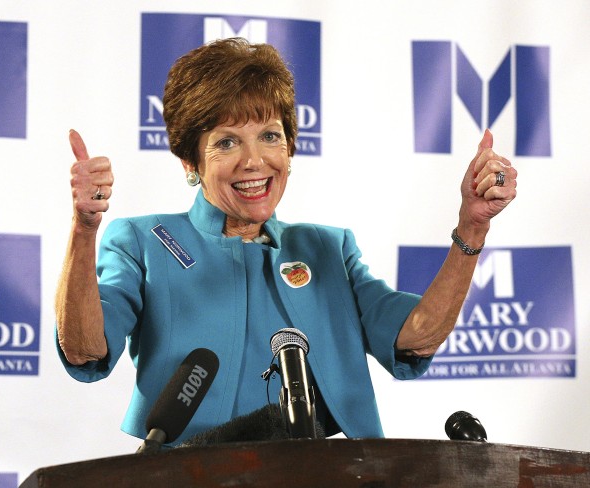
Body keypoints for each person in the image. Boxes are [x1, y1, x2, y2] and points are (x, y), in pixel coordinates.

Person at [55, 38, 517, 444]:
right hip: (184, 474)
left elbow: (416, 337)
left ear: (290, 149)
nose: (254, 161)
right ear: (189, 162)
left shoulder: (328, 249)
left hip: (326, 475)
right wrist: (84, 229)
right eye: (227, 142)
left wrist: (472, 227)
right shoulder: (145, 240)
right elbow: (85, 348)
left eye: (269, 136)